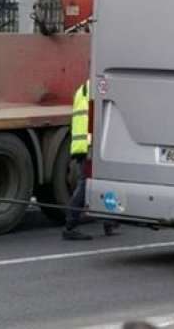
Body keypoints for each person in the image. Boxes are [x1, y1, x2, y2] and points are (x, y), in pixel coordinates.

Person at [62, 80, 119, 240]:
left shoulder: (84, 88)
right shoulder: (97, 87)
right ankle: (70, 225)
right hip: (89, 146)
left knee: (106, 182)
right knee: (85, 184)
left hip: (86, 145)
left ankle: (109, 222)